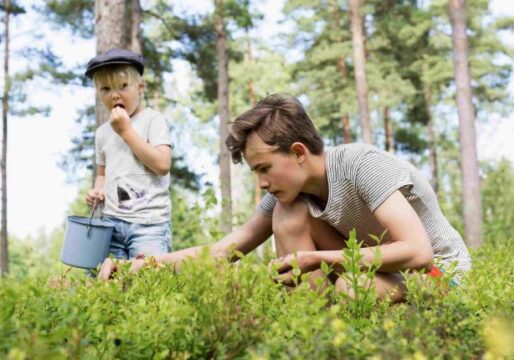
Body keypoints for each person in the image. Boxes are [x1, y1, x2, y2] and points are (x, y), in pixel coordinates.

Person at [98, 94, 471, 302]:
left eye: (263, 168)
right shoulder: (288, 195)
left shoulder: (362, 165)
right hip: (380, 270)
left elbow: (419, 252)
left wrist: (316, 258)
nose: (261, 183)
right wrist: (144, 265)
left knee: (351, 288)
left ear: (297, 152)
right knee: (289, 215)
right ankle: (313, 331)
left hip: (439, 275)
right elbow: (224, 250)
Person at [85, 48, 173, 260]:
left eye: (122, 86)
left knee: (150, 282)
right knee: (109, 283)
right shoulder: (102, 133)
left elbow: (162, 165)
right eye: (105, 89)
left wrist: (126, 131)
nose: (114, 94)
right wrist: (97, 191)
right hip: (110, 222)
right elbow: (102, 173)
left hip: (149, 223)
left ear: (140, 87)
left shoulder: (153, 120)